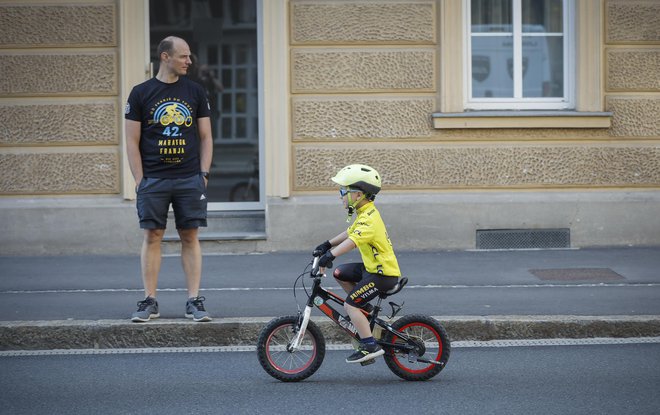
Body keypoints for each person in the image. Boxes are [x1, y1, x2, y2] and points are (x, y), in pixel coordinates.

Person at [125, 36, 213, 323]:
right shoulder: (141, 93)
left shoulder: (196, 91)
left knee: (190, 236)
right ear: (165, 57)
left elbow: (206, 136)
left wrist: (203, 174)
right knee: (153, 236)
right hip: (154, 179)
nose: (189, 61)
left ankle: (194, 301)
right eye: (184, 56)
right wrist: (140, 180)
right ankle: (149, 300)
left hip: (189, 178)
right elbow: (131, 140)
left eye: (189, 57)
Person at [315, 164, 401, 363]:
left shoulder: (370, 219)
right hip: (372, 269)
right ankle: (366, 313)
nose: (340, 195)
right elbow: (350, 232)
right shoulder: (365, 213)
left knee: (350, 305)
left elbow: (353, 241)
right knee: (340, 273)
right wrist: (326, 245)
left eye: (343, 191)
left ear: (358, 195)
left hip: (383, 276)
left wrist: (330, 255)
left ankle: (370, 345)